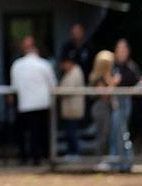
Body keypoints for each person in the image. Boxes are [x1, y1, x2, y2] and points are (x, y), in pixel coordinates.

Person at [9, 36, 57, 166]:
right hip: (43, 103)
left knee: (27, 132)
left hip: (25, 104)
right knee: (41, 132)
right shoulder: (45, 64)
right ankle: (41, 156)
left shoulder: (17, 65)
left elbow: (14, 87)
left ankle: (25, 156)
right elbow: (53, 84)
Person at [108, 39, 141, 172]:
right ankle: (115, 161)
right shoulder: (113, 66)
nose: (121, 52)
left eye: (124, 49)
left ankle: (126, 162)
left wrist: (118, 81)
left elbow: (136, 81)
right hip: (113, 102)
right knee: (115, 132)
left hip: (125, 102)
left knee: (122, 132)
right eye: (119, 49)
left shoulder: (131, 67)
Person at [59, 52, 86, 158]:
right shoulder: (70, 72)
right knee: (69, 132)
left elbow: (67, 90)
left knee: (72, 133)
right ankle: (72, 152)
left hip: (74, 109)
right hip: (69, 110)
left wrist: (59, 92)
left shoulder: (76, 72)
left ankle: (75, 152)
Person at [89, 50, 115, 159]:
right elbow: (104, 94)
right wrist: (112, 84)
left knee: (106, 134)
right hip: (100, 107)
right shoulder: (99, 78)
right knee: (102, 134)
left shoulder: (103, 77)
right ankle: (100, 159)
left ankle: (104, 157)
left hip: (104, 107)